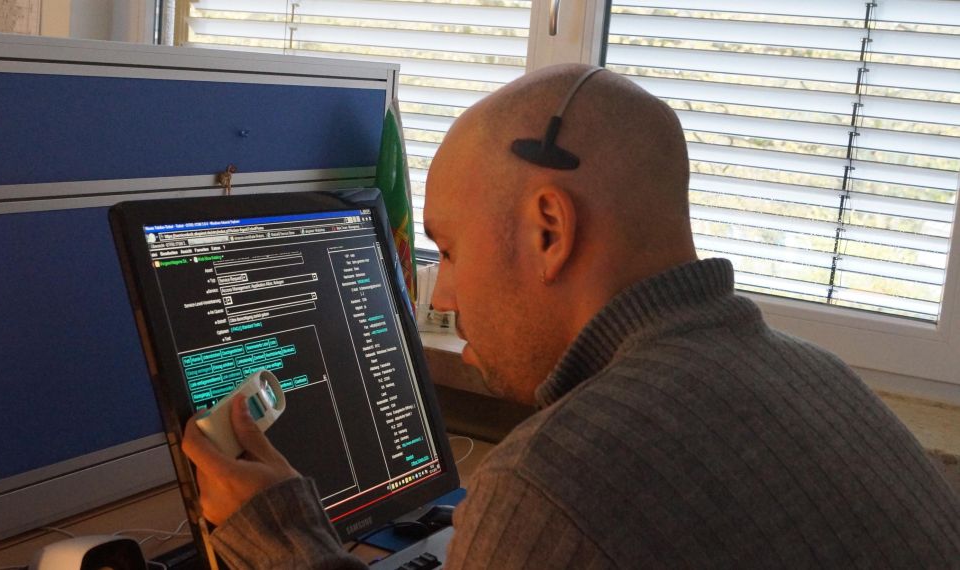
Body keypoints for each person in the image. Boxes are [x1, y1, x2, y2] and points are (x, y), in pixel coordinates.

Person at [181, 64, 960, 568]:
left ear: (549, 230)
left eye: (448, 251)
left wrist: (279, 541)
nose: (442, 296)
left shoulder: (555, 482)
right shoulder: (820, 378)